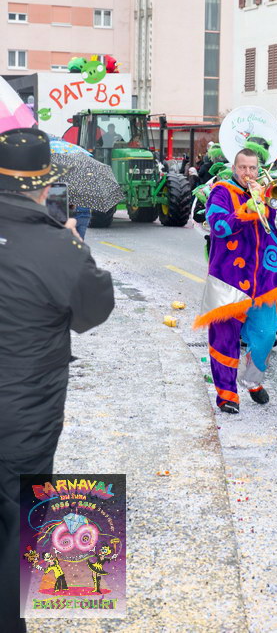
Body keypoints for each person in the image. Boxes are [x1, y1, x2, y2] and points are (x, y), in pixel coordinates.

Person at [0, 127, 115, 632]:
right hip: (26, 415)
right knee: (20, 518)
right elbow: (94, 310)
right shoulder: (60, 247)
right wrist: (74, 245)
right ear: (46, 185)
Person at [193, 148, 277, 414]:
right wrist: (245, 209)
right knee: (224, 338)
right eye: (243, 168)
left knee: (266, 334)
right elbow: (218, 226)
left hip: (264, 280)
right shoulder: (222, 191)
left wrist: (270, 202)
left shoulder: (267, 191)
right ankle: (227, 395)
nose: (248, 173)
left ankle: (252, 380)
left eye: (253, 168)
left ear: (259, 169)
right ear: (235, 168)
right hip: (229, 278)